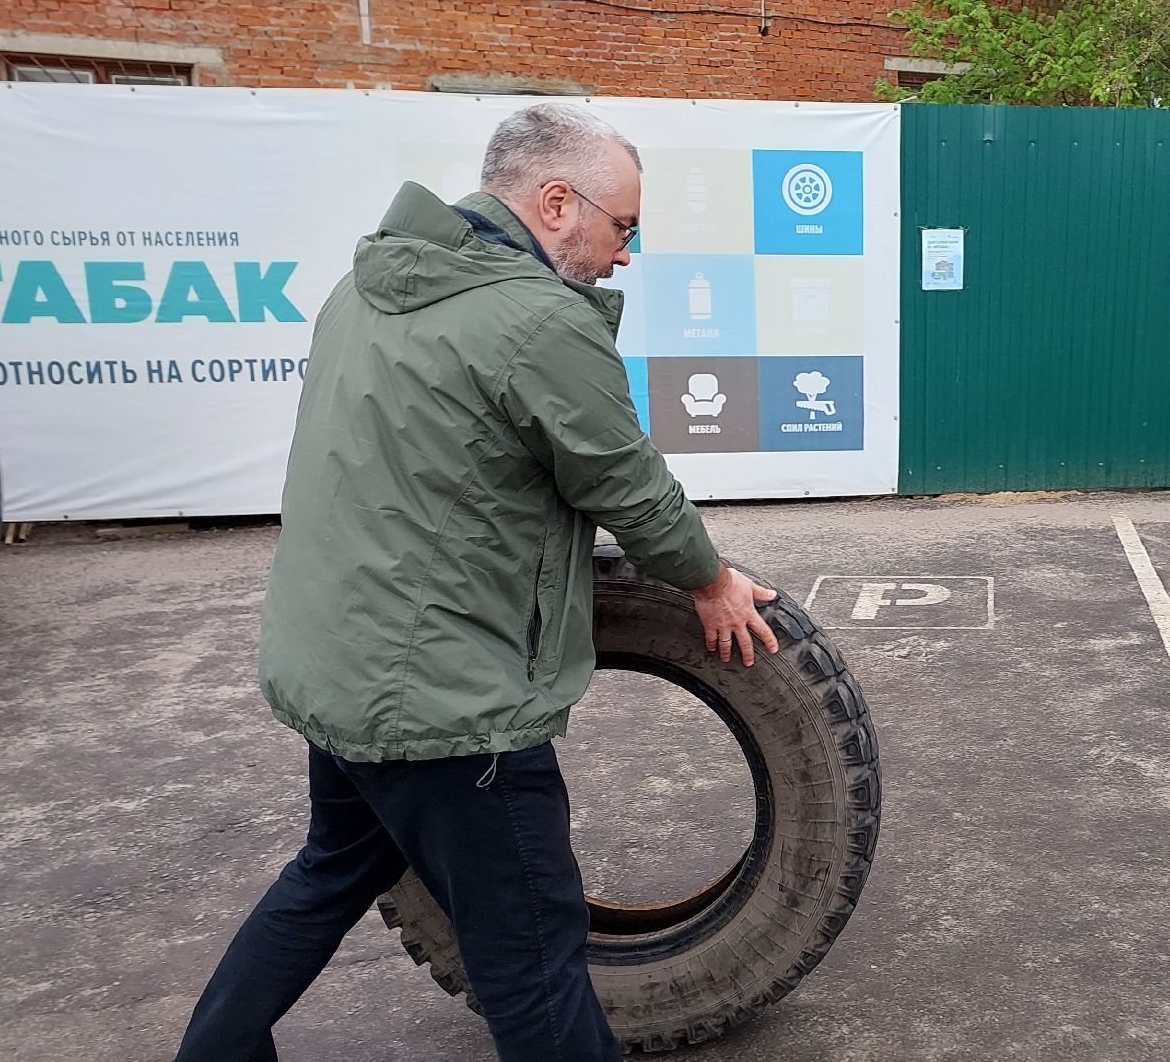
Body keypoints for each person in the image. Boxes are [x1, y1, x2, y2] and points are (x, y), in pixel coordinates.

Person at [174, 102, 776, 1062]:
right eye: (624, 229)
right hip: (448, 707)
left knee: (330, 870)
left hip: (337, 668)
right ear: (554, 203)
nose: (626, 256)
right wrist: (708, 583)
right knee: (534, 968)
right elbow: (624, 480)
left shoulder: (363, 287)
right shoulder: (539, 319)